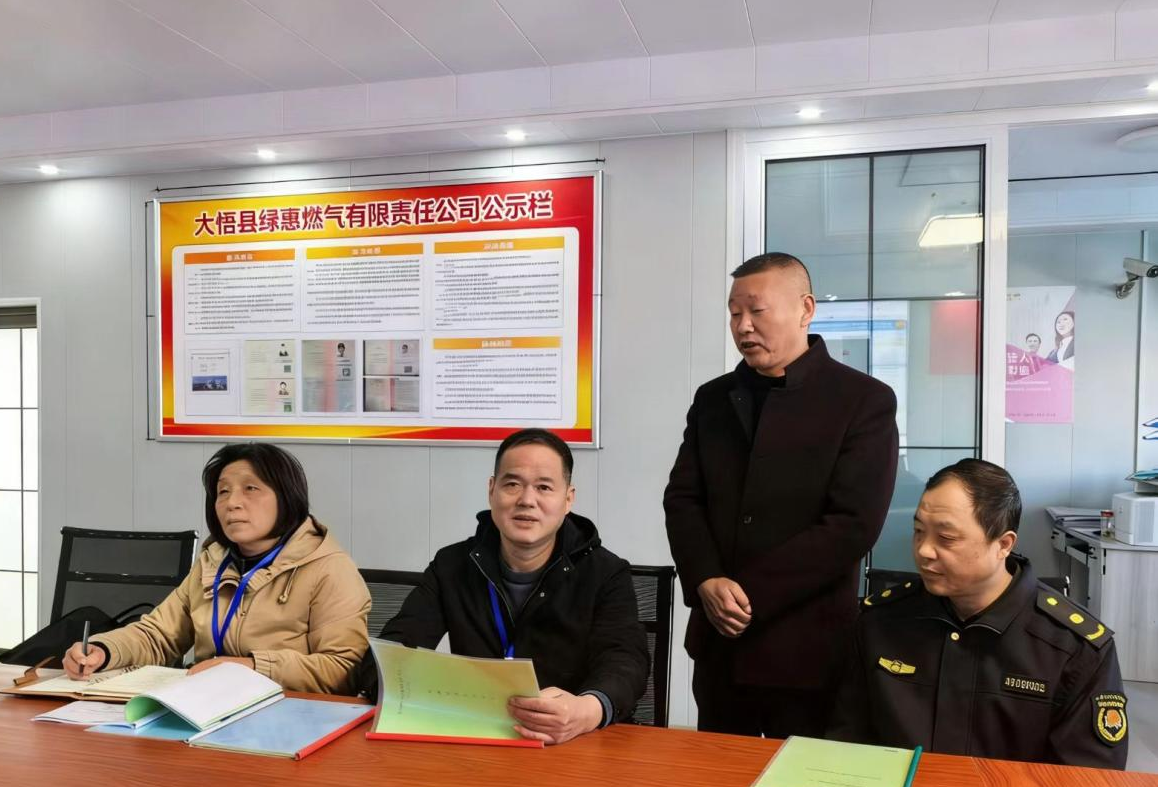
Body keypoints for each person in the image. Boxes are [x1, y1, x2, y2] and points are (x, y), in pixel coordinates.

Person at [663, 252, 898, 738]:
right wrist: (705, 579)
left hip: (808, 649)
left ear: (805, 308)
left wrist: (744, 594)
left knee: (803, 782)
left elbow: (852, 524)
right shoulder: (713, 398)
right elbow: (683, 499)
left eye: (757, 310)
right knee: (716, 777)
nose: (743, 326)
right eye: (734, 313)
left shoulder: (862, 401)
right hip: (720, 645)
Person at [828, 459, 1127, 769]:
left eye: (946, 538)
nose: (923, 550)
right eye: (918, 531)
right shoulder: (879, 622)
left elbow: (1088, 781)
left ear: (1003, 544)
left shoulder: (1075, 650)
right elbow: (845, 743)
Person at [360, 428, 649, 745]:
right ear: (491, 490)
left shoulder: (605, 573)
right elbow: (393, 650)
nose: (527, 500)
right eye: (512, 484)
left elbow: (626, 661)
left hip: (570, 743)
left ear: (568, 499)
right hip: (477, 737)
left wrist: (588, 710)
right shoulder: (453, 565)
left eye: (544, 487)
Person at [62, 443, 370, 693]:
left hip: (291, 714)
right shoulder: (213, 563)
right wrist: (105, 651)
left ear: (287, 497)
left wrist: (251, 667)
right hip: (208, 706)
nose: (232, 502)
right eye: (223, 491)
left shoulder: (329, 568)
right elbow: (158, 635)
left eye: (251, 488)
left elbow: (344, 670)